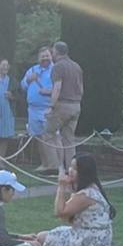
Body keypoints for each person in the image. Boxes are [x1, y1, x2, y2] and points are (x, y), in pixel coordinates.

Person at [28, 153, 114, 246]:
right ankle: (20, 239)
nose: (70, 171)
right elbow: (67, 219)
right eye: (70, 166)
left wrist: (61, 187)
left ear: (84, 172)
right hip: (95, 235)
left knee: (42, 237)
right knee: (41, 235)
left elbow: (59, 212)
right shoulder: (90, 188)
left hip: (91, 238)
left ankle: (18, 244)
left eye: (75, 169)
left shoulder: (86, 194)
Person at [45, 41, 84, 174]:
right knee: (69, 139)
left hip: (62, 105)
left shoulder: (58, 66)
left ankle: (55, 167)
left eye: (53, 51)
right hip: (76, 105)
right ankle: (71, 169)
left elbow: (57, 87)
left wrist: (51, 105)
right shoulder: (76, 66)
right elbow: (81, 88)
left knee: (48, 133)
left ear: (56, 52)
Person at [23, 46, 55, 146]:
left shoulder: (56, 70)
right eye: (42, 56)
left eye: (47, 56)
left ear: (51, 56)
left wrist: (49, 91)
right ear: (38, 58)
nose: (45, 58)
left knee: (51, 138)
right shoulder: (32, 70)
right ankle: (45, 161)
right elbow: (23, 86)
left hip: (48, 109)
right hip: (33, 110)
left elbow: (62, 88)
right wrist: (28, 79)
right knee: (38, 139)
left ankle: (54, 161)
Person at [0, 58, 18, 145]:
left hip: (8, 112)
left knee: (5, 138)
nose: (5, 67)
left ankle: (1, 157)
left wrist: (12, 97)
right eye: (3, 65)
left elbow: (19, 97)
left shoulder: (12, 81)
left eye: (7, 65)